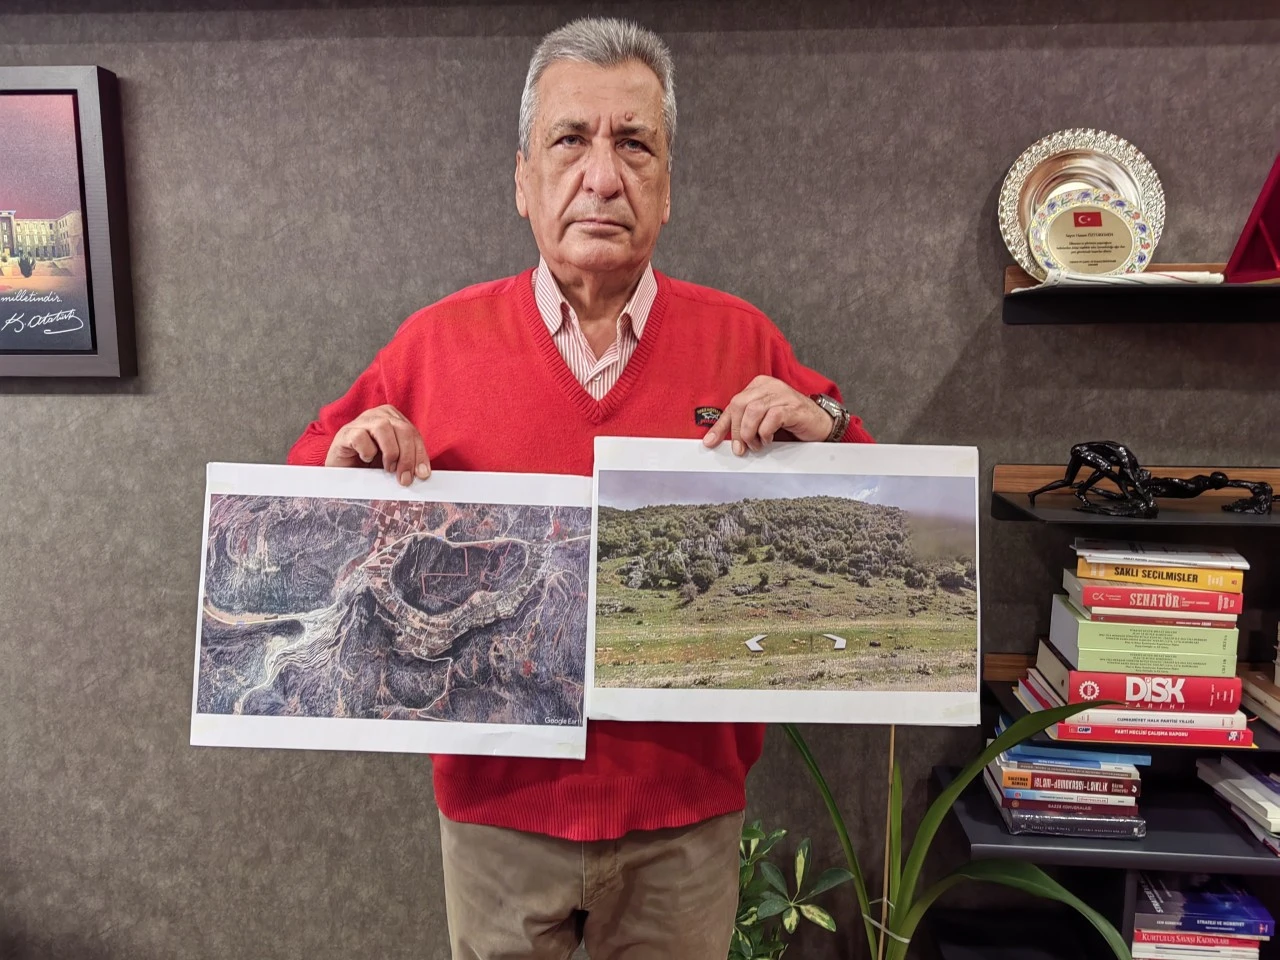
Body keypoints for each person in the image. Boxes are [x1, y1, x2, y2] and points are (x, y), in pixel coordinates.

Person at [286, 15, 873, 960]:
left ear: (667, 186)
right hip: (497, 820)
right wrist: (347, 464)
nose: (602, 175)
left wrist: (831, 430)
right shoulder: (435, 344)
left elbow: (878, 501)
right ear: (523, 178)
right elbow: (295, 489)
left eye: (634, 144)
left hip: (685, 824)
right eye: (570, 140)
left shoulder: (741, 339)